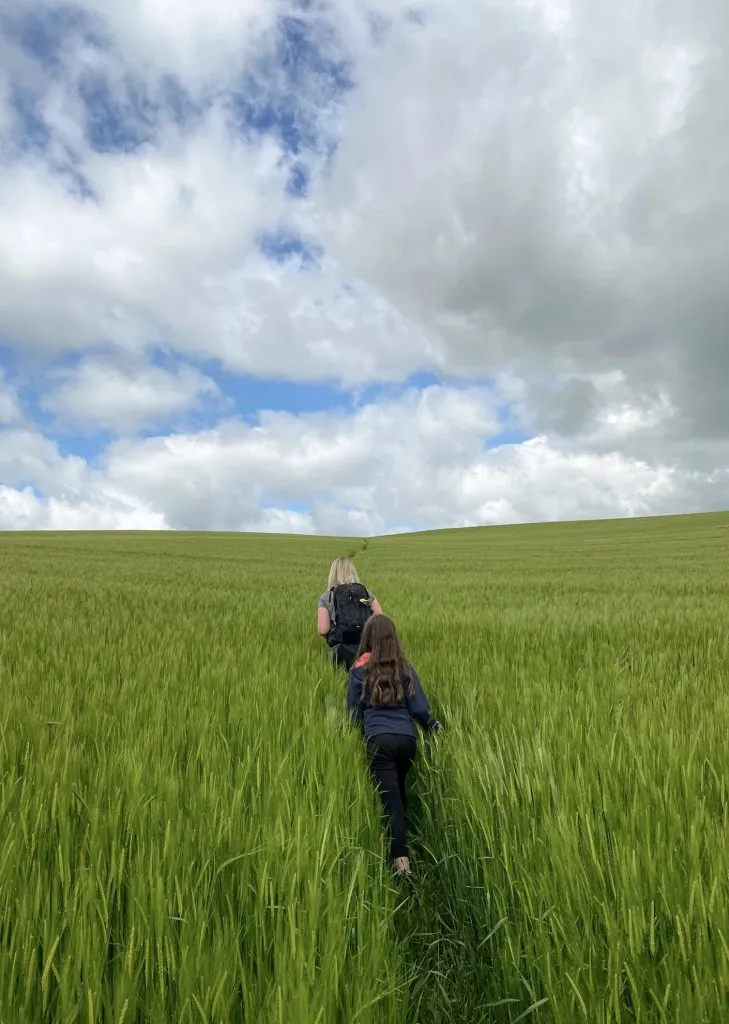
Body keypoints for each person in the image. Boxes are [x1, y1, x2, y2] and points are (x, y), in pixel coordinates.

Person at [346, 614, 443, 876]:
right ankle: (403, 843)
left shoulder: (359, 669)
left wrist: (355, 737)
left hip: (379, 742)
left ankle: (403, 869)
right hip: (407, 741)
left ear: (368, 638)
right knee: (398, 794)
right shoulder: (405, 667)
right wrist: (433, 725)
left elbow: (353, 713)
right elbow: (419, 707)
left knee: (392, 805)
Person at [317, 556, 384, 670]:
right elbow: (380, 619)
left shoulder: (327, 596)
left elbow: (323, 629)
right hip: (366, 648)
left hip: (340, 650)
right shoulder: (366, 593)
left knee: (341, 682)